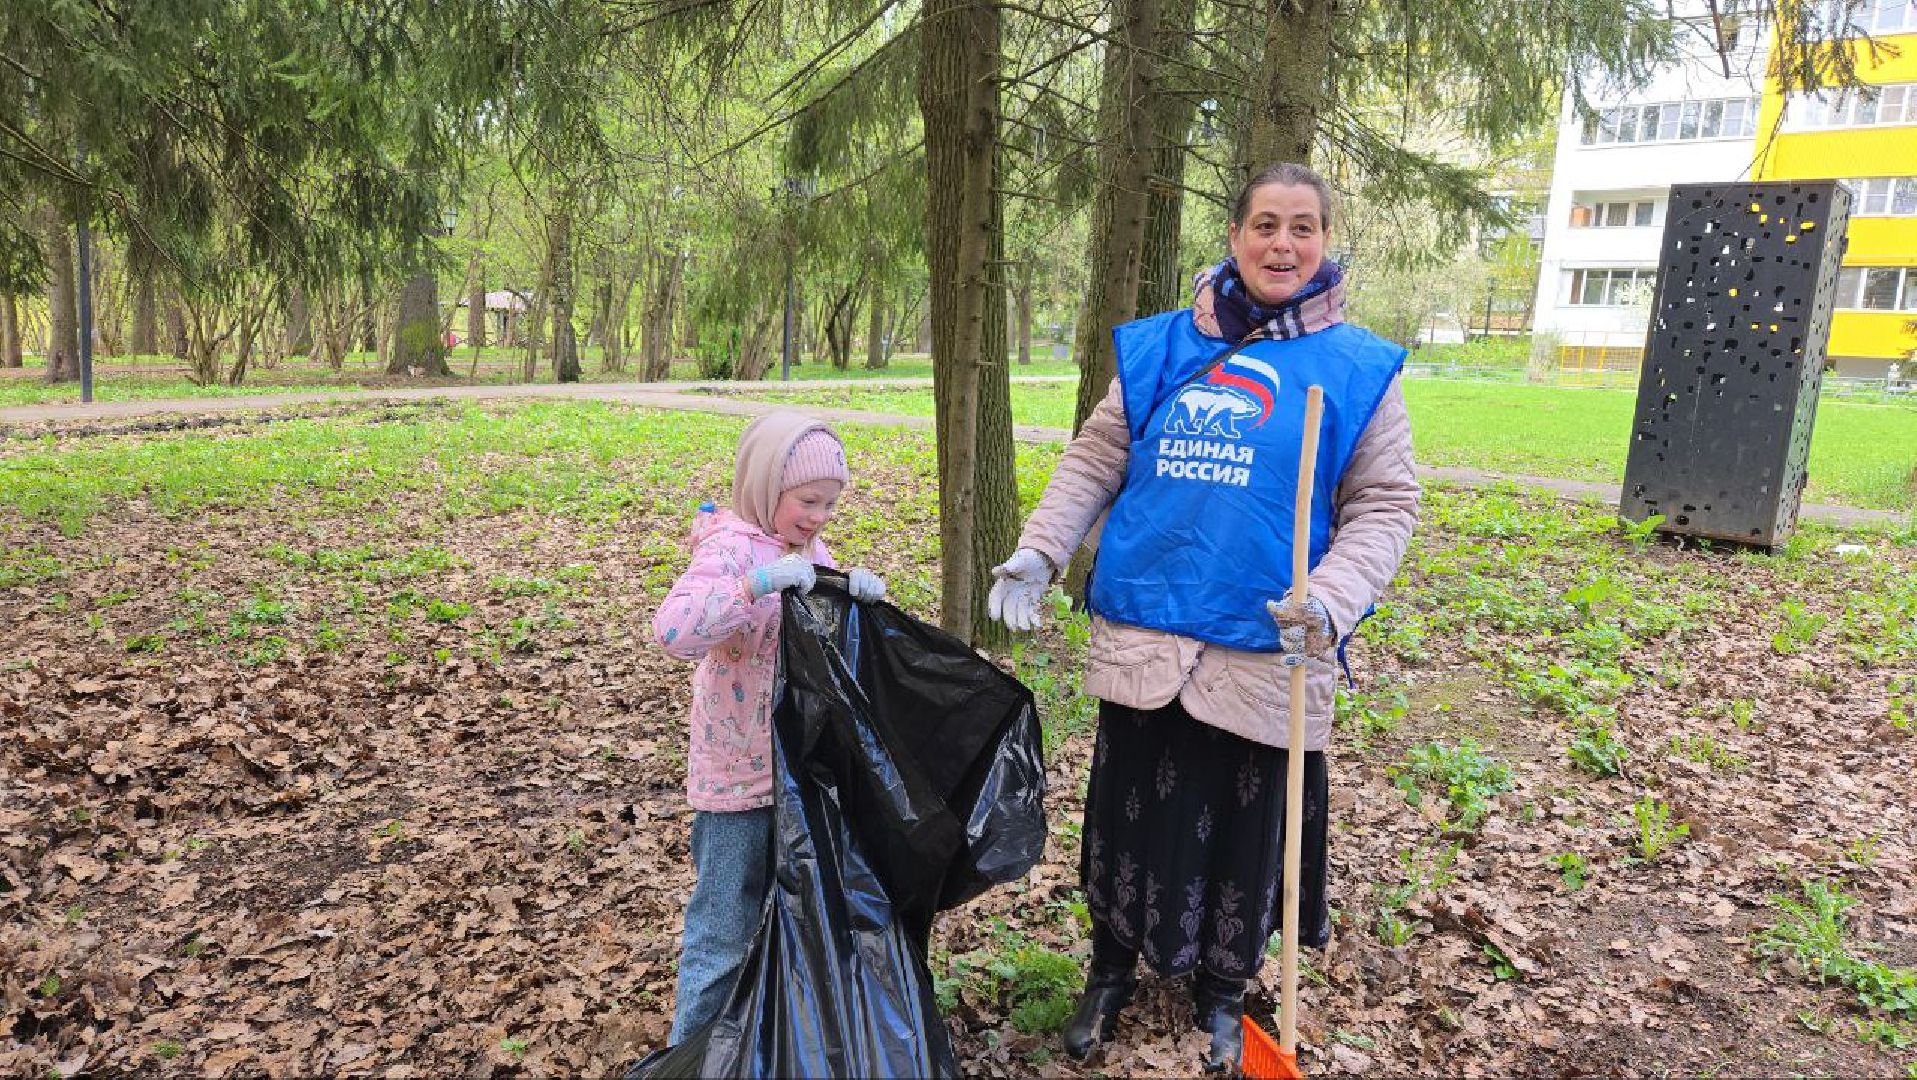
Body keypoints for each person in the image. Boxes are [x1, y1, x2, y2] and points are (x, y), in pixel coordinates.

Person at [987, 162, 1420, 1072]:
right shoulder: (1160, 349)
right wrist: (1041, 547)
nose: (1282, 244)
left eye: (1302, 227)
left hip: (1267, 646)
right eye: (1265, 224)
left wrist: (1332, 600)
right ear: (1233, 236)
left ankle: (1222, 992)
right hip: (1149, 624)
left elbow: (1386, 505)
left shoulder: (1357, 370)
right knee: (1127, 814)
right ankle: (1110, 970)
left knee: (1243, 825)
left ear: (1324, 242)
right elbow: (1097, 457)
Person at [650, 412, 888, 1043]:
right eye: (808, 501)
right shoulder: (729, 548)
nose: (818, 517)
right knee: (723, 931)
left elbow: (823, 644)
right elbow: (673, 631)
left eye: (830, 505)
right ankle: (694, 1056)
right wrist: (753, 584)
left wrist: (851, 595)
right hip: (733, 778)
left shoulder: (811, 551)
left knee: (791, 919)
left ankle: (764, 1045)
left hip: (796, 774)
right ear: (766, 486)